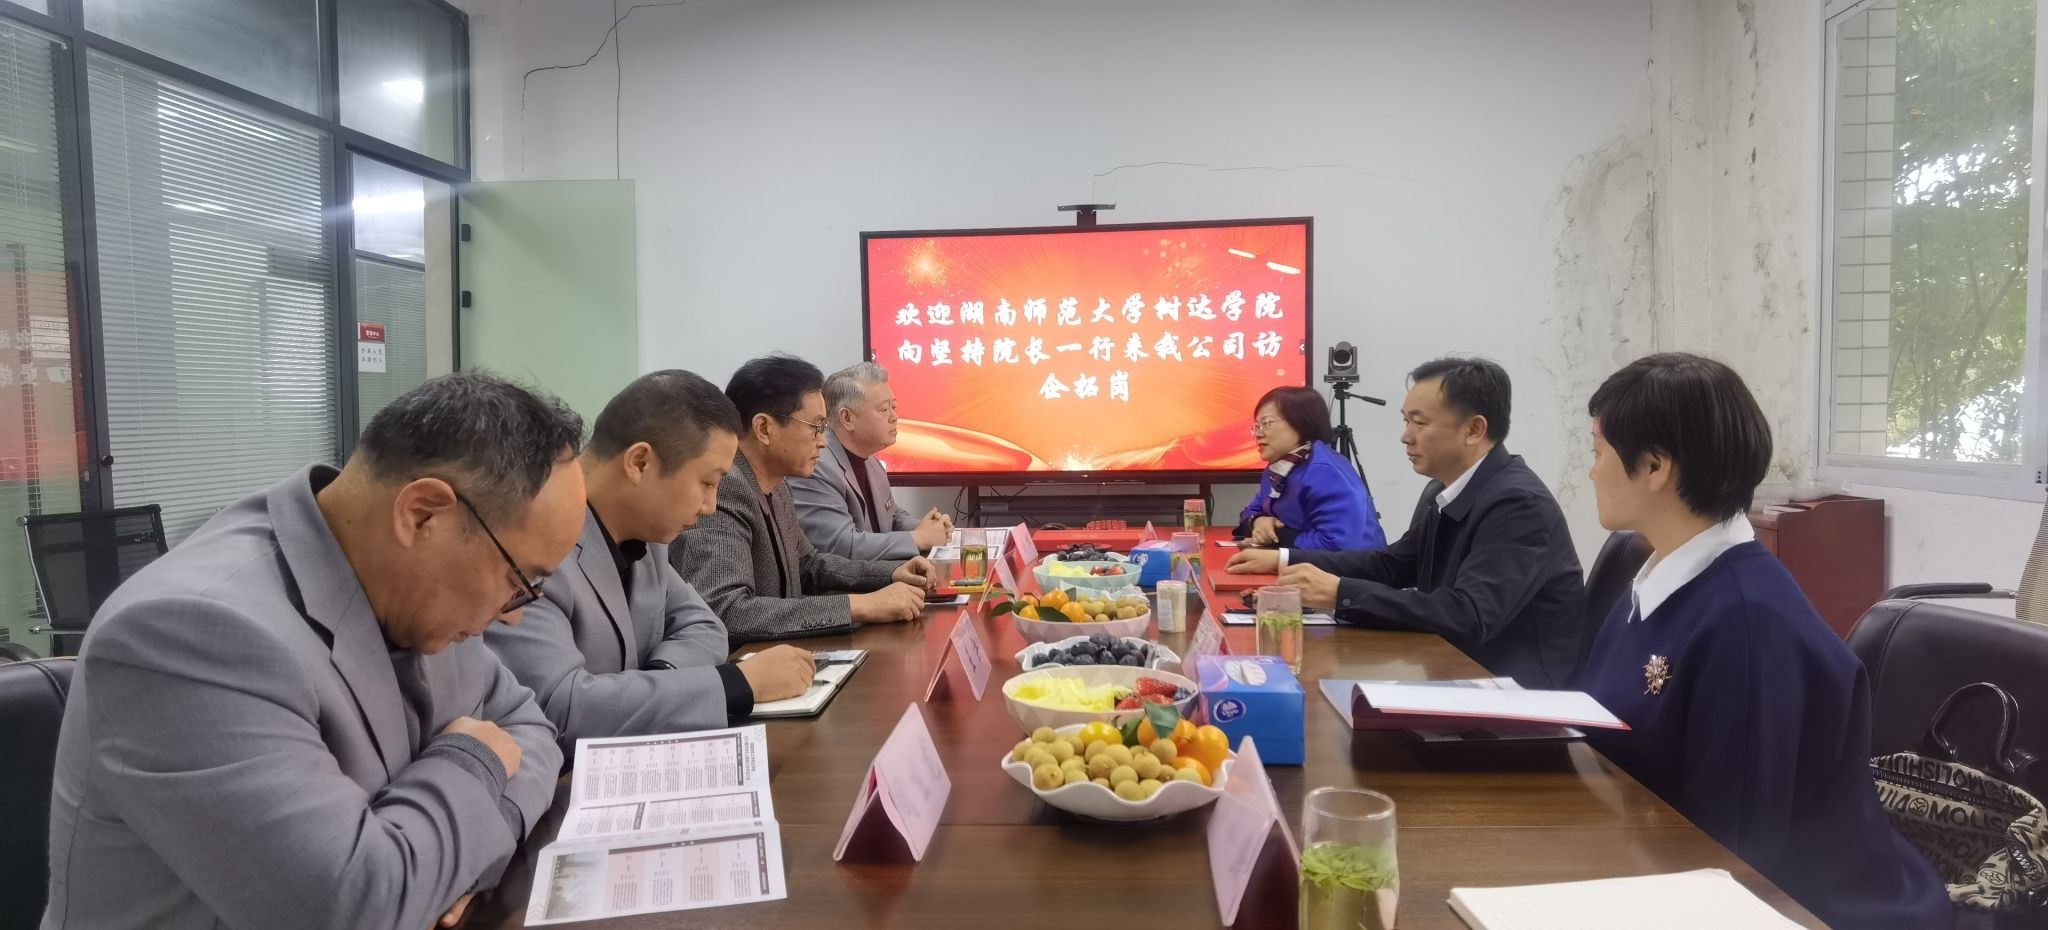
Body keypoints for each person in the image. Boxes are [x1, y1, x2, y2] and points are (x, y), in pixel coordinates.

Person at [42, 374, 577, 930]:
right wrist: (474, 759)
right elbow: (353, 908)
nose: (514, 614)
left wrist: (459, 867)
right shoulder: (188, 634)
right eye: (519, 580)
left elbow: (531, 728)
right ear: (422, 514)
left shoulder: (419, 589)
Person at [1579, 353, 1948, 929]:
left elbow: (1735, 857)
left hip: (1806, 909)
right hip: (1649, 855)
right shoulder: (1657, 580)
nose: (1591, 472)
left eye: (1598, 450)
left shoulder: (1747, 626)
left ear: (1654, 466)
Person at [485, 370, 818, 750]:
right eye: (708, 483)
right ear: (640, 462)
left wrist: (661, 680)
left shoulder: (647, 535)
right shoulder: (533, 547)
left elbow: (705, 626)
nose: (710, 506)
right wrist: (734, 684)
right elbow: (559, 705)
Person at [1226, 357, 1587, 688]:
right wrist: (1285, 561)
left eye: (1420, 422)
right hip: (1453, 667)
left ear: (1474, 430)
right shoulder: (1444, 490)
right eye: (1405, 420)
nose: (1405, 436)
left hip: (1514, 691)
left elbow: (1470, 615)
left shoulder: (1517, 503)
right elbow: (1393, 564)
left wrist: (1340, 593)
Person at [671, 354, 934, 643]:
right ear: (764, 428)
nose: (823, 441)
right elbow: (726, 611)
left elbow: (809, 566)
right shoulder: (724, 490)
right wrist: (860, 606)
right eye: (815, 427)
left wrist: (891, 573)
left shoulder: (777, 485)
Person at [789, 361, 952, 560]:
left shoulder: (871, 461)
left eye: (894, 407)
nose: (894, 417)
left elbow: (892, 517)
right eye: (884, 410)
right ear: (847, 418)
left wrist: (929, 527)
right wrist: (917, 538)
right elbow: (840, 545)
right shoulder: (815, 464)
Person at [1233, 385, 1385, 551]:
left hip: (1354, 566)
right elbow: (1250, 511)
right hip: (1308, 562)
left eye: (1266, 423)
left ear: (1301, 423)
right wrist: (1258, 521)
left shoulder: (1324, 471)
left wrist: (1275, 536)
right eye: (1256, 426)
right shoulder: (1279, 468)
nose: (1258, 434)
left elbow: (1339, 544)